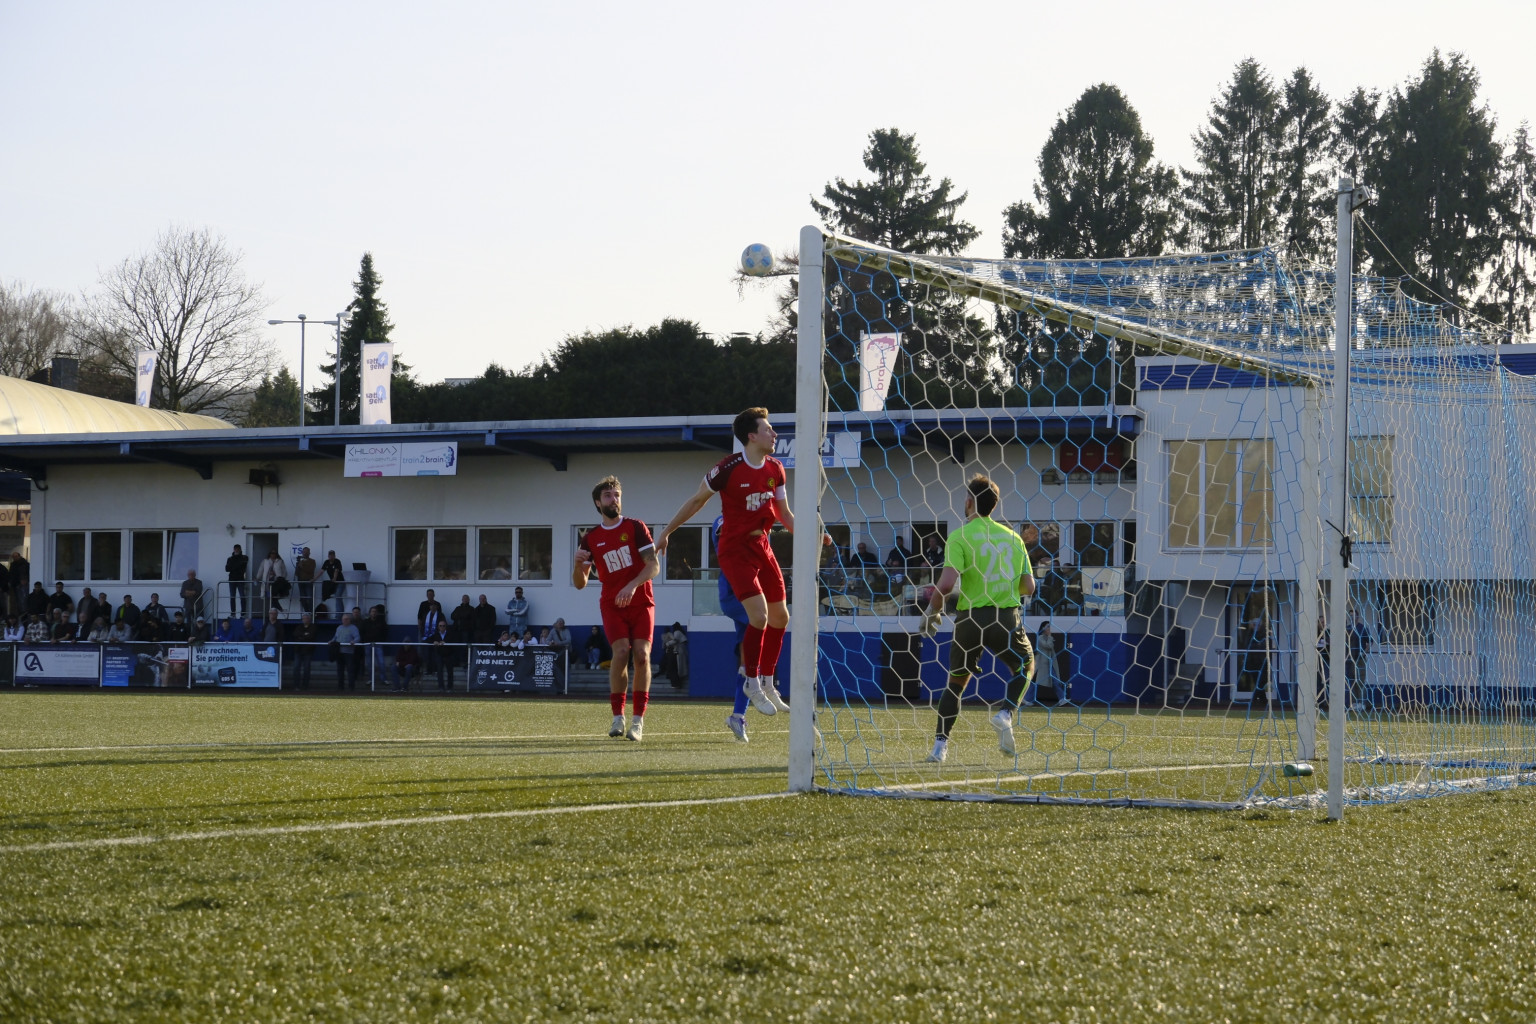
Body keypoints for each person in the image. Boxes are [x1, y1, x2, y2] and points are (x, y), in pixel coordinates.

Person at [658, 407, 819, 718]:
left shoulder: (776, 468)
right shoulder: (727, 468)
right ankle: (752, 683)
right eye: (768, 429)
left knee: (781, 617)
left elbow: (785, 514)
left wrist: (811, 536)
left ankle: (769, 683)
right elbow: (696, 500)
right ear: (752, 436)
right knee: (759, 616)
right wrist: (666, 532)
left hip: (762, 547)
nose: (774, 434)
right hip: (734, 551)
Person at [919, 474, 1036, 764]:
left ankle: (939, 748)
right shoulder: (1013, 538)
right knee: (1025, 665)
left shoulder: (960, 536)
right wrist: (1004, 585)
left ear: (970, 502)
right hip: (1005, 618)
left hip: (969, 620)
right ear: (993, 505)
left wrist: (932, 611)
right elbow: (1029, 587)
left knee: (956, 683)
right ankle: (1005, 713)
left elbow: (946, 585)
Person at [573, 474, 661, 741]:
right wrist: (577, 565)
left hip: (641, 601)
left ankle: (638, 721)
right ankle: (617, 717)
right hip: (612, 605)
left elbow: (653, 566)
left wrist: (632, 585)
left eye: (617, 495)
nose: (614, 499)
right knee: (621, 652)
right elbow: (580, 584)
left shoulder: (635, 527)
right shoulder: (590, 538)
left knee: (642, 655)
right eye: (608, 496)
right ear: (598, 503)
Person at [1033, 621, 1062, 705]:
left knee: (1055, 681)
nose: (1049, 628)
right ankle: (1027, 698)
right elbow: (1048, 646)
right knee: (1035, 681)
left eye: (1049, 626)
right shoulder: (1040, 638)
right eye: (1047, 626)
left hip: (1049, 663)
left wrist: (1049, 637)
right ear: (1043, 628)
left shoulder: (1047, 638)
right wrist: (1049, 637)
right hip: (1042, 664)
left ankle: (1062, 698)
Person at [360, 605, 389, 686]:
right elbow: (362, 632)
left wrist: (382, 641)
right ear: (370, 613)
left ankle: (384, 679)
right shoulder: (365, 622)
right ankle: (370, 679)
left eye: (375, 612)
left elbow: (385, 632)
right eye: (372, 611)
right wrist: (365, 641)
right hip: (368, 644)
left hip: (378, 644)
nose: (374, 613)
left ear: (377, 613)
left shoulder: (381, 622)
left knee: (381, 663)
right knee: (369, 663)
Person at [332, 612, 362, 690]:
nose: (344, 621)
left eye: (346, 619)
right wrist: (331, 641)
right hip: (339, 652)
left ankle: (351, 687)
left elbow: (357, 637)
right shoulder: (339, 628)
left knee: (350, 670)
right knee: (340, 670)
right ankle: (340, 687)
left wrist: (354, 641)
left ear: (349, 620)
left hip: (349, 652)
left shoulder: (353, 628)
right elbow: (335, 637)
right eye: (343, 619)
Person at [255, 548, 289, 614]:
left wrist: (281, 579)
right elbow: (261, 570)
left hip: (276, 582)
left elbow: (284, 572)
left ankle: (276, 610)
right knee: (270, 596)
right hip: (267, 581)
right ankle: (277, 610)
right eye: (272, 553)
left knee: (273, 596)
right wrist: (257, 578)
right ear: (269, 554)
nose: (273, 554)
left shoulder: (280, 561)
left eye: (275, 553)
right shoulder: (265, 561)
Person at [426, 618, 454, 691]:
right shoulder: (436, 635)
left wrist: (445, 642)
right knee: (439, 672)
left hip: (448, 655)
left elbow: (454, 640)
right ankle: (441, 687)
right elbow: (427, 640)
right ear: (438, 627)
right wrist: (434, 642)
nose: (442, 627)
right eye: (440, 626)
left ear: (446, 626)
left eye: (443, 626)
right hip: (439, 655)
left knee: (450, 672)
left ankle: (450, 687)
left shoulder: (450, 634)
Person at [291, 613, 317, 690]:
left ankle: (305, 686)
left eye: (306, 618)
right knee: (296, 667)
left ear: (309, 619)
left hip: (308, 651)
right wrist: (304, 635)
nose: (305, 620)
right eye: (303, 618)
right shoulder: (299, 627)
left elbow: (311, 636)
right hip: (298, 650)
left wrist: (301, 636)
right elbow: (295, 634)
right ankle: (296, 685)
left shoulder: (313, 627)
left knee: (306, 668)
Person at [662, 622, 690, 689]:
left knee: (677, 667)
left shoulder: (677, 632)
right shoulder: (680, 632)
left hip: (678, 651)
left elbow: (675, 640)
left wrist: (667, 644)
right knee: (680, 668)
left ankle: (677, 683)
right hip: (681, 650)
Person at [225, 544, 249, 618]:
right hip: (232, 580)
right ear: (234, 549)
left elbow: (243, 567)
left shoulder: (244, 557)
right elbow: (227, 569)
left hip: (240, 579)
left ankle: (243, 614)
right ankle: (233, 614)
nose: (236, 550)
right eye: (235, 549)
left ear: (240, 549)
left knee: (242, 596)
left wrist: (233, 566)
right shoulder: (230, 558)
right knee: (232, 597)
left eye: (238, 549)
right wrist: (237, 565)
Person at [294, 547, 318, 614]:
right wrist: (298, 565)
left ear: (309, 553)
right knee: (302, 598)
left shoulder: (312, 561)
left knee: (309, 598)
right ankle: (307, 613)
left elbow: (310, 570)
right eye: (304, 552)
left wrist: (302, 567)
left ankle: (311, 613)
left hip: (308, 581)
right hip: (300, 581)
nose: (305, 553)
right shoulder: (300, 562)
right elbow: (296, 573)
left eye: (306, 552)